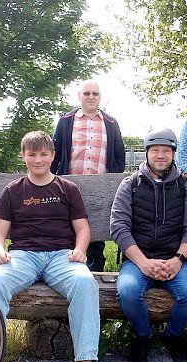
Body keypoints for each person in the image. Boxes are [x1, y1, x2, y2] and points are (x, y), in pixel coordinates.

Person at [0, 131, 101, 362]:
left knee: (85, 283)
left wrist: (80, 249)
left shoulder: (67, 190)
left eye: (44, 154)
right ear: (23, 156)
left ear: (53, 156)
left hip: (61, 257)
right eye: (32, 154)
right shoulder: (13, 190)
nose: (38, 159)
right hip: (23, 256)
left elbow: (82, 228)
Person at [110, 128, 187, 362]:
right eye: (155, 150)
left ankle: (173, 335)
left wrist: (178, 259)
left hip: (175, 258)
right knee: (128, 292)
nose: (160, 155)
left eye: (166, 151)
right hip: (138, 260)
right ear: (147, 153)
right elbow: (119, 228)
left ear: (173, 154)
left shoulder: (185, 185)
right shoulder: (130, 184)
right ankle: (143, 336)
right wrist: (143, 263)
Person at [52, 80, 126, 272]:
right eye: (86, 94)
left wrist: (111, 183)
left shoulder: (110, 123)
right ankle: (67, 270)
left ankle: (95, 270)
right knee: (67, 231)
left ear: (100, 96)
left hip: (100, 189)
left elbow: (119, 155)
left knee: (96, 233)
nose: (91, 97)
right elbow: (55, 153)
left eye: (95, 93)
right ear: (79, 96)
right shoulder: (66, 121)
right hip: (69, 187)